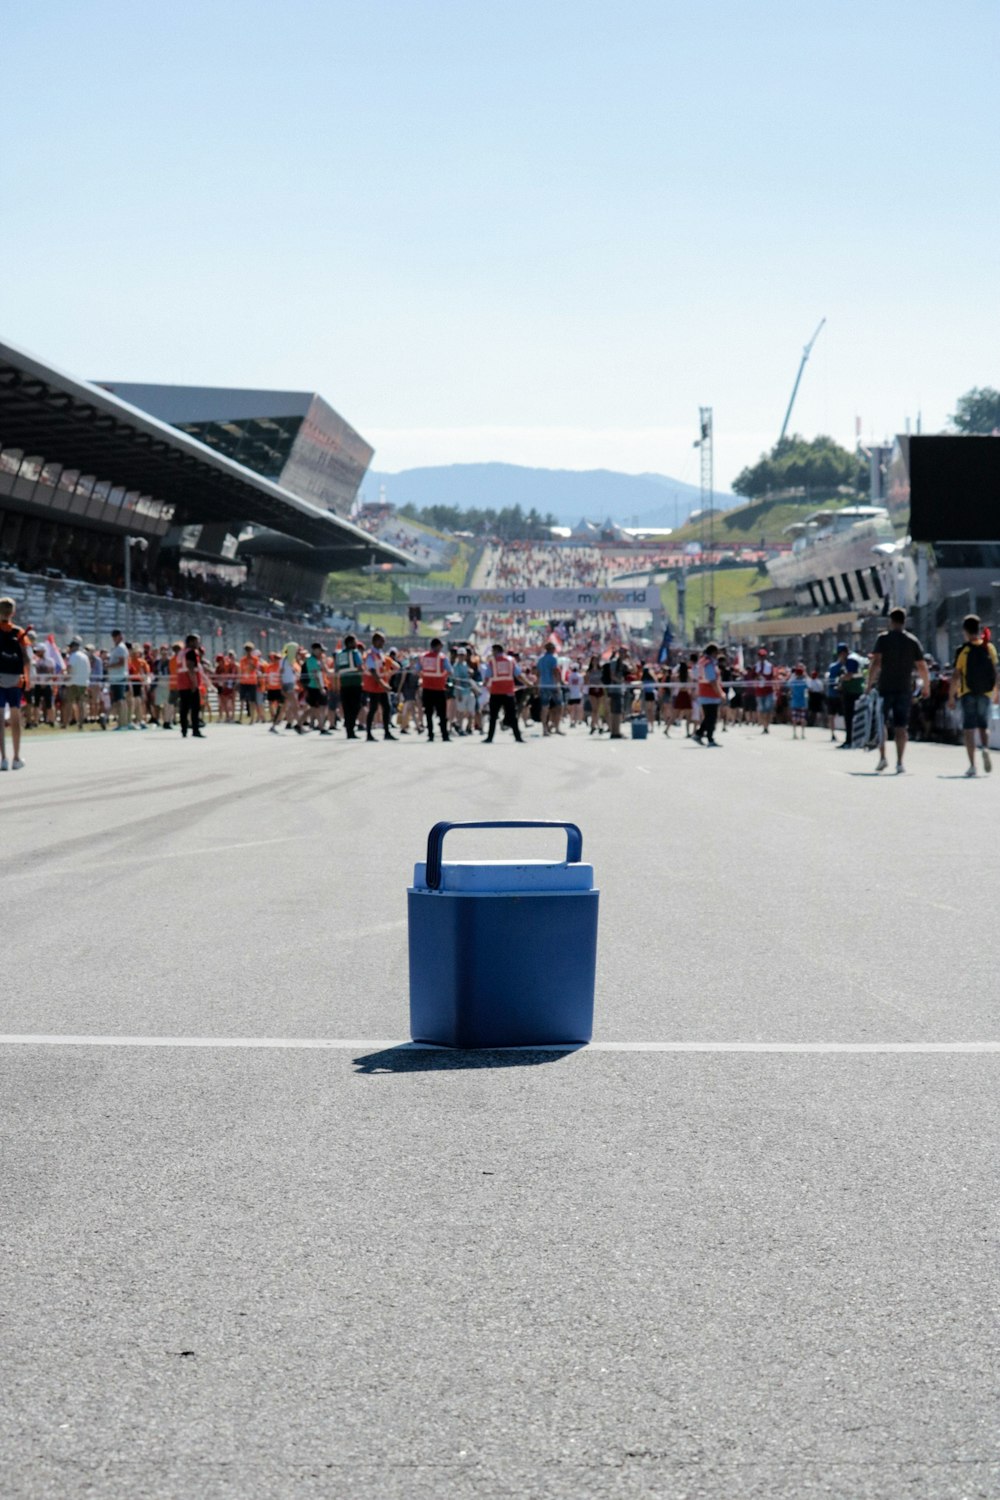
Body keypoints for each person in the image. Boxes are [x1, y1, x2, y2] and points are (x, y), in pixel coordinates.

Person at [866, 606, 930, 773]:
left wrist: (868, 684)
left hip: (885, 687)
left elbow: (876, 663)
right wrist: (926, 686)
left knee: (882, 723)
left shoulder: (883, 639)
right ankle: (900, 762)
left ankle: (882, 758)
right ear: (904, 621)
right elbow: (922, 666)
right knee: (901, 726)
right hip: (904, 687)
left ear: (891, 621)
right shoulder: (912, 640)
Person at [947, 614, 998, 777]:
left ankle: (972, 765)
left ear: (965, 631)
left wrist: (951, 697)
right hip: (986, 692)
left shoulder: (964, 651)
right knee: (983, 726)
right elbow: (996, 671)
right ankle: (985, 747)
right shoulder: (989, 648)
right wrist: (997, 691)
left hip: (967, 693)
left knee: (969, 728)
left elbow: (956, 675)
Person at [0, 595, 31, 770]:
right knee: (15, 716)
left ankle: (2, 758)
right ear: (13, 612)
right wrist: (29, 679)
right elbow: (27, 658)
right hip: (16, 679)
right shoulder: (19, 632)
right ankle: (16, 757)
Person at [482, 642, 525, 743]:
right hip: (508, 692)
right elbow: (519, 675)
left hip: (496, 692)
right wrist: (528, 683)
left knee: (493, 717)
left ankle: (490, 737)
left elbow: (487, 676)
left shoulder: (492, 662)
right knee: (512, 716)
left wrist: (484, 684)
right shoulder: (511, 660)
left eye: (493, 651)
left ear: (496, 650)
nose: (492, 653)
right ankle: (518, 737)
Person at [363, 631, 395, 741]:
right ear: (376, 641)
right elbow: (373, 672)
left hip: (381, 686)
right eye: (382, 640)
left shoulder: (381, 654)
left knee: (387, 707)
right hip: (374, 686)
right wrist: (383, 684)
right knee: (373, 709)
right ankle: (369, 734)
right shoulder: (370, 655)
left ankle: (387, 732)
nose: (383, 642)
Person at [419, 637, 450, 742]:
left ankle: (430, 735)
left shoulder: (423, 657)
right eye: (441, 646)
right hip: (439, 689)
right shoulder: (442, 658)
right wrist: (443, 677)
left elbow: (417, 670)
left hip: (427, 688)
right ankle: (444, 735)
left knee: (428, 713)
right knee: (442, 714)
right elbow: (450, 670)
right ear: (437, 646)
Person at [693, 642, 724, 746]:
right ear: (713, 652)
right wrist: (720, 693)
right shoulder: (709, 663)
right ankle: (709, 738)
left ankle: (699, 734)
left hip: (704, 692)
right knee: (711, 717)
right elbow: (712, 681)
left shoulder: (702, 661)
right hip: (710, 693)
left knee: (708, 717)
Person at [177, 633, 207, 738]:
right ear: (191, 642)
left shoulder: (181, 652)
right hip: (189, 684)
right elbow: (190, 668)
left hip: (181, 683)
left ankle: (184, 730)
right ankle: (195, 730)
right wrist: (194, 683)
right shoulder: (191, 653)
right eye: (196, 641)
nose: (198, 643)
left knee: (184, 708)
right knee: (195, 707)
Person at [336, 634, 364, 739]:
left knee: (347, 708)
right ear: (350, 643)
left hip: (344, 684)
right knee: (355, 707)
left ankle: (349, 729)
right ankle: (351, 728)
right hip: (355, 683)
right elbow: (360, 666)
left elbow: (337, 669)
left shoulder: (340, 655)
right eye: (355, 641)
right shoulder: (355, 653)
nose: (356, 643)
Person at [536, 641, 564, 736]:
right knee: (559, 706)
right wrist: (557, 685)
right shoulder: (553, 659)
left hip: (543, 685)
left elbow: (538, 674)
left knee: (545, 708)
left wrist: (538, 686)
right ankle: (556, 727)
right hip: (552, 685)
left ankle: (545, 729)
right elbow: (555, 672)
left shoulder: (540, 660)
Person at [63, 638, 91, 730]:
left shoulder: (73, 656)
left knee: (69, 703)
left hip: (73, 682)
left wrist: (66, 676)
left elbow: (70, 668)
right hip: (83, 682)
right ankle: (81, 723)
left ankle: (65, 723)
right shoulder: (85, 656)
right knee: (81, 703)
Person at [838, 654, 865, 749]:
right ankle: (857, 740)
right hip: (858, 691)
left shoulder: (851, 659)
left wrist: (841, 678)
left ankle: (849, 741)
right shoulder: (856, 658)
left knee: (849, 718)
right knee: (858, 718)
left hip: (851, 693)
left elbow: (849, 676)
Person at [107, 628, 131, 730]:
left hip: (119, 677)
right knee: (120, 700)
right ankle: (123, 722)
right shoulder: (116, 648)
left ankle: (122, 723)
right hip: (115, 678)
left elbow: (121, 663)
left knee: (120, 701)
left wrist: (109, 666)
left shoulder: (121, 648)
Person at [826, 642, 850, 742]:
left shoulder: (848, 665)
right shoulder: (834, 667)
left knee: (845, 715)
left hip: (843, 694)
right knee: (832, 715)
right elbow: (831, 681)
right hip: (833, 694)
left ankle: (846, 734)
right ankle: (833, 734)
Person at [753, 647, 775, 733]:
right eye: (760, 656)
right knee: (761, 709)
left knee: (768, 709)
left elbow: (773, 677)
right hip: (759, 691)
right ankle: (763, 725)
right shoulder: (755, 667)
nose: (761, 658)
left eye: (763, 656)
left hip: (768, 691)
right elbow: (753, 677)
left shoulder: (770, 666)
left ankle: (767, 726)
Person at [788, 663, 809, 739]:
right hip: (802, 702)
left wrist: (792, 675)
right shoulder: (804, 682)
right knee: (803, 718)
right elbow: (809, 686)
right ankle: (803, 734)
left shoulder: (793, 682)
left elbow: (788, 684)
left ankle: (794, 733)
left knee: (794, 719)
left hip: (794, 702)